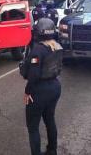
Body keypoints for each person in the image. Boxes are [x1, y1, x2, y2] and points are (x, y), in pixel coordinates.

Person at [22, 18, 62, 155]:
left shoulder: (38, 50)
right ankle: (52, 150)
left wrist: (27, 92)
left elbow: (33, 75)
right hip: (55, 87)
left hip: (40, 90)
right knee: (49, 119)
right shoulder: (56, 45)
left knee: (32, 127)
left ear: (38, 32)